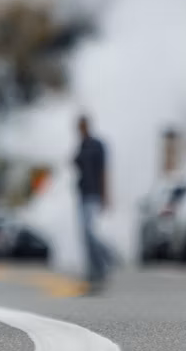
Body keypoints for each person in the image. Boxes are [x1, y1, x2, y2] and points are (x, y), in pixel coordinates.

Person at [74, 113, 112, 292]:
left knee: (90, 232)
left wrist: (105, 195)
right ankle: (93, 270)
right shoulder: (81, 145)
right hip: (82, 193)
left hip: (94, 193)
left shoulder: (97, 145)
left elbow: (104, 171)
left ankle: (107, 259)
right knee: (84, 234)